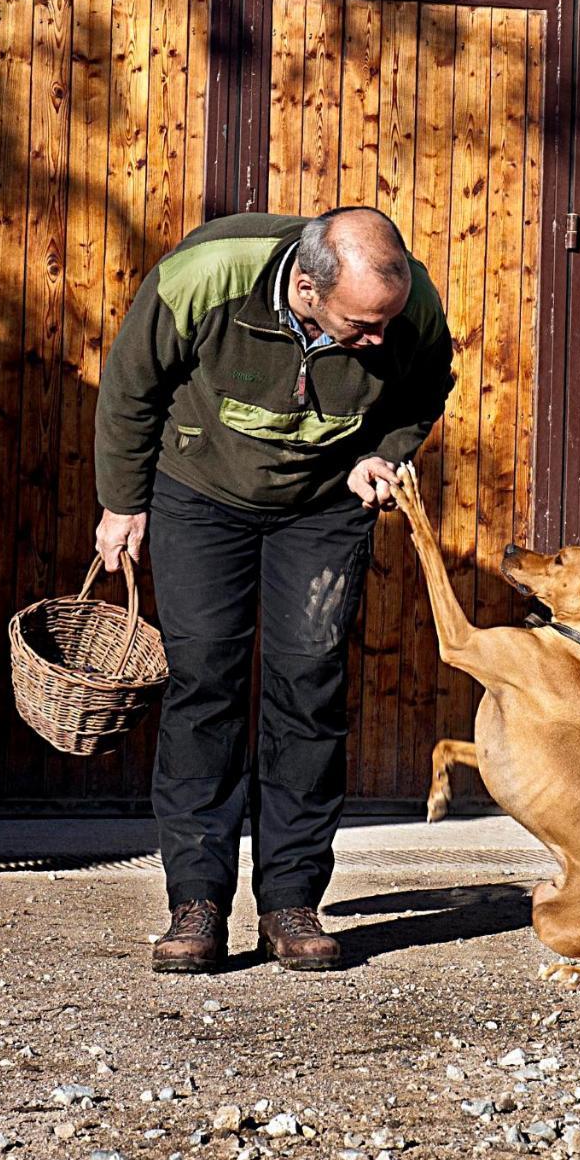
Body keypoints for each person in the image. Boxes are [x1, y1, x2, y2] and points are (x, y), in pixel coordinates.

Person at [94, 207, 454, 973]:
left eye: (385, 323)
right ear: (303, 285)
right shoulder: (205, 276)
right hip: (198, 492)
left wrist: (384, 453)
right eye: (360, 325)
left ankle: (291, 900)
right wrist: (123, 503)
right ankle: (196, 901)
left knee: (308, 683)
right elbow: (131, 388)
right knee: (205, 682)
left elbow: (426, 385)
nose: (378, 339)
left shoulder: (406, 304)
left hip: (324, 506)